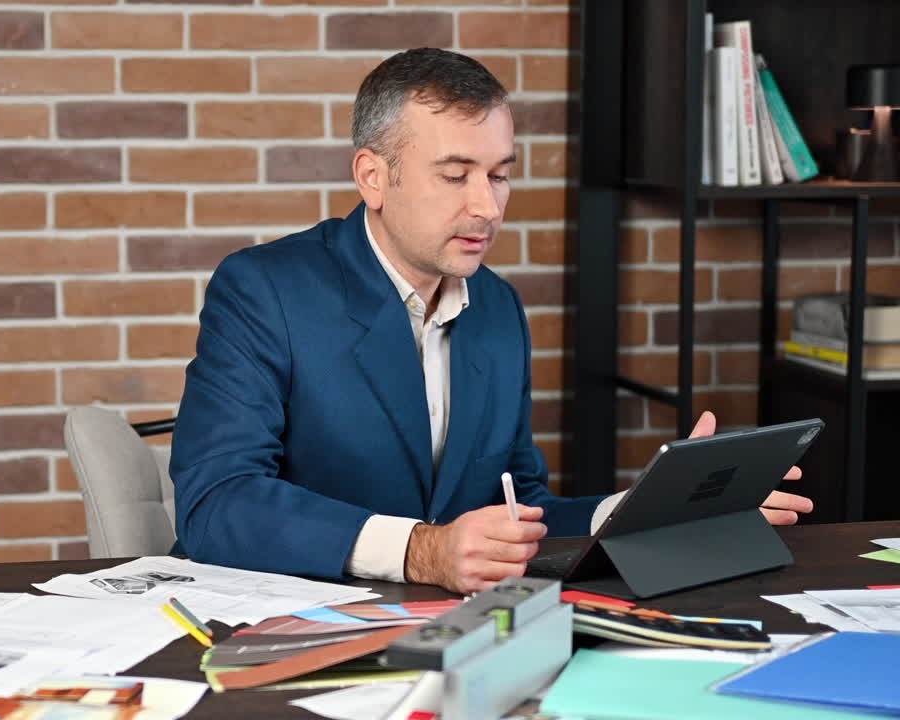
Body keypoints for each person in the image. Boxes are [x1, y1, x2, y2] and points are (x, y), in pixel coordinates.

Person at [169, 48, 812, 595]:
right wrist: (423, 550)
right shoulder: (263, 289)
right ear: (373, 177)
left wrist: (653, 511)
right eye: (456, 176)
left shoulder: (497, 308)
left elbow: (520, 508)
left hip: (446, 637)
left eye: (500, 176)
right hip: (280, 631)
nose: (487, 206)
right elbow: (216, 502)